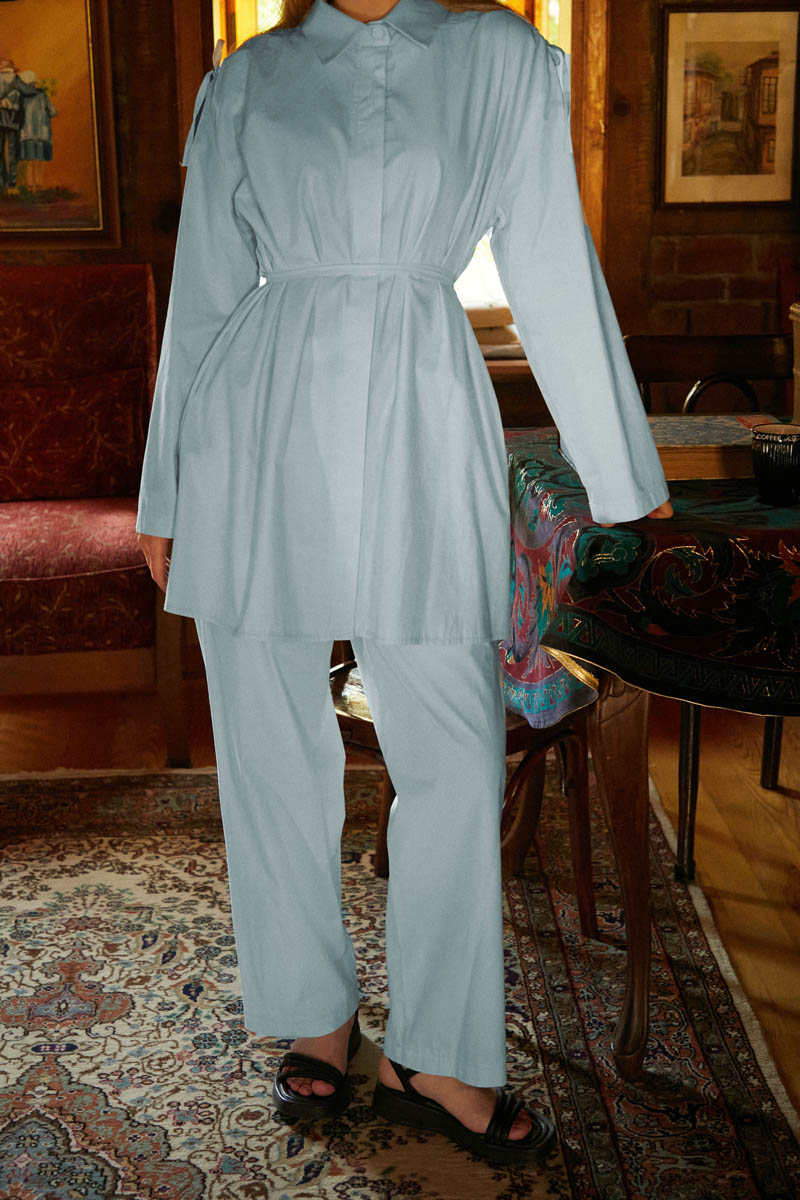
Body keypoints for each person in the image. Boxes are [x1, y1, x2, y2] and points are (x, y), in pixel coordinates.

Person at [136, 0, 673, 1167]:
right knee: (270, 747)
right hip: (254, 427)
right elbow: (206, 291)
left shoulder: (497, 60)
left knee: (451, 750)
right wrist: (164, 491)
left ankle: (436, 1053)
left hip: (422, 415)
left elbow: (549, 262)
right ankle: (312, 1014)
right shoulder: (250, 78)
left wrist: (622, 481)